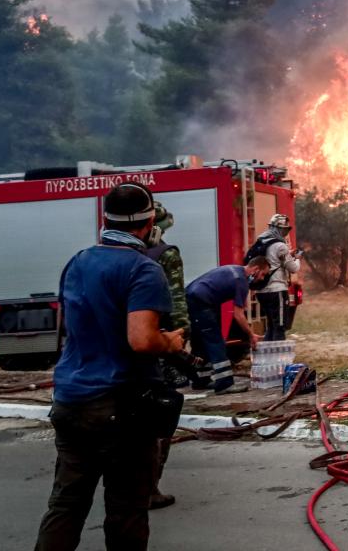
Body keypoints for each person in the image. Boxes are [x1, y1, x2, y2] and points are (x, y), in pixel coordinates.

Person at [35, 182, 186, 551]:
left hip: (70, 401)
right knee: (126, 512)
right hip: (120, 408)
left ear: (106, 219)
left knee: (66, 504)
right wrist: (172, 341)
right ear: (150, 222)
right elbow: (141, 339)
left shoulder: (78, 261)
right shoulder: (143, 270)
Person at [142, 201, 192, 510]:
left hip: (124, 348)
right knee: (164, 409)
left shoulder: (113, 254)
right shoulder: (166, 254)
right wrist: (183, 337)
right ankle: (149, 487)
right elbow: (176, 302)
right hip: (157, 344)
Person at [185, 259, 271, 394]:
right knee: (215, 341)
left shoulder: (235, 269)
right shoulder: (241, 281)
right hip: (201, 301)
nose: (262, 278)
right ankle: (224, 384)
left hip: (193, 296)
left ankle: (201, 380)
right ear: (255, 269)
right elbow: (238, 314)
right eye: (263, 274)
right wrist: (250, 335)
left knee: (201, 341)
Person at [251, 214, 301, 341]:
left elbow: (273, 259)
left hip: (261, 291)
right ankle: (279, 359)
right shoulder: (280, 246)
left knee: (271, 326)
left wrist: (287, 255)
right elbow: (293, 268)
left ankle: (268, 358)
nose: (284, 232)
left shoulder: (261, 240)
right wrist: (297, 259)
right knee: (279, 327)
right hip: (277, 290)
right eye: (284, 229)